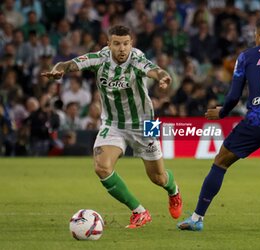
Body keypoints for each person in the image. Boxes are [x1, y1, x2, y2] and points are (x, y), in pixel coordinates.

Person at [41, 25, 182, 229]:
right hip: (113, 123)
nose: (122, 49)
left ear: (131, 44)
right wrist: (58, 69)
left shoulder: (136, 59)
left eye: (125, 44)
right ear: (109, 44)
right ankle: (139, 212)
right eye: (116, 44)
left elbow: (154, 70)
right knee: (101, 167)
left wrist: (162, 77)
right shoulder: (100, 59)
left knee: (158, 178)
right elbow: (70, 63)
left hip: (146, 123)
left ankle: (174, 191)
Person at [177, 16, 260, 231]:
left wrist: (223, 113)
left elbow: (234, 95)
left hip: (258, 119)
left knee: (221, 161)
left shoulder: (246, 56)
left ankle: (197, 218)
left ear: (259, 36)